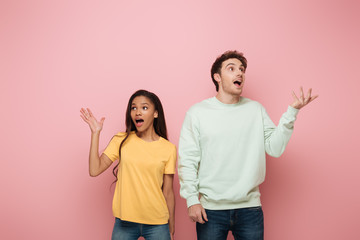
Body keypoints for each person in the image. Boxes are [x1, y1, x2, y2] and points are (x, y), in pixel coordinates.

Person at [178, 51, 318, 240]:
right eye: (232, 69)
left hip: (249, 209)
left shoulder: (255, 110)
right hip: (210, 210)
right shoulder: (197, 113)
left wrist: (292, 112)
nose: (239, 73)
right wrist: (192, 200)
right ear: (217, 77)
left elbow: (274, 148)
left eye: (242, 70)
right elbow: (187, 159)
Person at [80, 90, 176, 240]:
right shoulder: (121, 140)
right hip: (124, 223)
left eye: (144, 108)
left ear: (155, 113)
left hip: (158, 223)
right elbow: (94, 170)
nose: (137, 112)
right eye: (133, 108)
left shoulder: (168, 148)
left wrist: (171, 228)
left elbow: (168, 192)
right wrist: (95, 133)